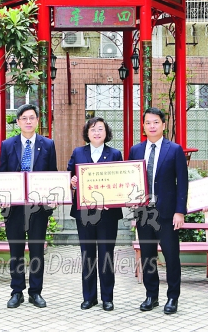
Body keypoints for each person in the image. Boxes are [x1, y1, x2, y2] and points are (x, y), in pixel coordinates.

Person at [128, 107, 188, 315]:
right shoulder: (136, 150)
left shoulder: (175, 150)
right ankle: (151, 296)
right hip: (144, 213)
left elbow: (182, 183)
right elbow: (130, 180)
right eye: (148, 123)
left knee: (171, 257)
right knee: (148, 257)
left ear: (163, 125)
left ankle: (172, 297)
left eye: (156, 122)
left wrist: (180, 211)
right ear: (143, 126)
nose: (152, 126)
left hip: (167, 214)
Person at [0, 103, 58, 309]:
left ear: (37, 120)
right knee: (15, 250)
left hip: (38, 208)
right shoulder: (8, 145)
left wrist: (52, 198)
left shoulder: (48, 144)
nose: (28, 121)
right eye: (24, 118)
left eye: (32, 117)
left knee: (36, 251)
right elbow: (2, 175)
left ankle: (35, 292)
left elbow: (52, 174)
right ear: (18, 122)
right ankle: (17, 292)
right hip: (14, 207)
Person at [67, 117, 123, 312]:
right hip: (84, 214)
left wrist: (114, 198)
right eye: (93, 129)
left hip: (108, 215)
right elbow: (69, 176)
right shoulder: (78, 152)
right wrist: (72, 182)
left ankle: (107, 298)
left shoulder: (115, 154)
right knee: (87, 255)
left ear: (106, 133)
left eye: (100, 129)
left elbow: (121, 181)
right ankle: (89, 297)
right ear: (87, 133)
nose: (97, 132)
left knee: (106, 255)